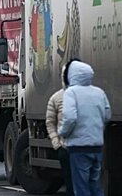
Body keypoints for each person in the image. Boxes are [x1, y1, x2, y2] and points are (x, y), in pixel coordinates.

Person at [58, 60, 111, 196]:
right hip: (97, 146)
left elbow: (70, 118)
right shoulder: (99, 92)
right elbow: (107, 115)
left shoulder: (71, 93)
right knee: (95, 185)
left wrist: (62, 132)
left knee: (81, 187)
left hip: (78, 147)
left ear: (71, 75)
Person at [46, 60, 76, 196]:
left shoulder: (89, 94)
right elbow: (50, 122)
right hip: (65, 147)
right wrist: (56, 143)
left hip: (85, 146)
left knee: (85, 182)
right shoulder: (56, 98)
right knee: (70, 180)